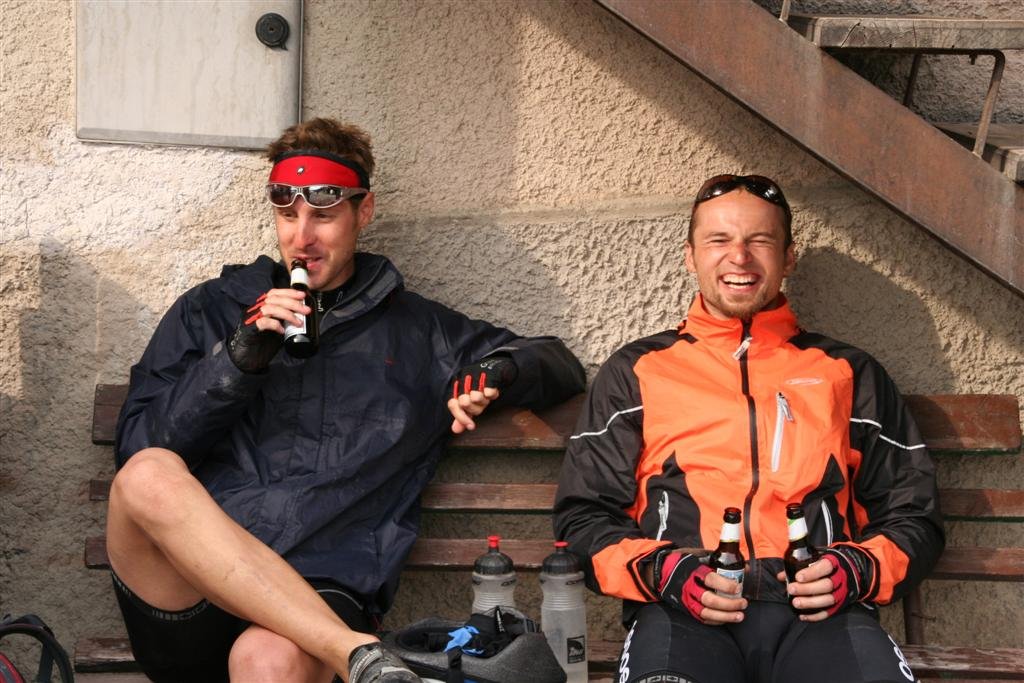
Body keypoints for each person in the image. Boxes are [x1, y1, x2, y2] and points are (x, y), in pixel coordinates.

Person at [108, 118, 586, 683]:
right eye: (288, 215)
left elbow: (557, 362)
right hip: (191, 590)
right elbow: (137, 450)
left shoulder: (419, 333)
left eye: (324, 216)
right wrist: (235, 361)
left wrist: (498, 370)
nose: (302, 238)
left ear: (364, 211)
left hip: (322, 584)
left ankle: (350, 652)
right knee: (146, 473)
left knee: (267, 660)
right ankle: (362, 657)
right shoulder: (210, 309)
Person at [553, 174, 944, 683]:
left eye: (759, 240)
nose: (739, 257)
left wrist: (858, 570)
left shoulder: (848, 372)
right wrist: (663, 572)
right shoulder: (637, 371)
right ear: (691, 256)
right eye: (719, 240)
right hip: (684, 614)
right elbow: (583, 518)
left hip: (823, 616)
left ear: (788, 257)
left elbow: (914, 516)